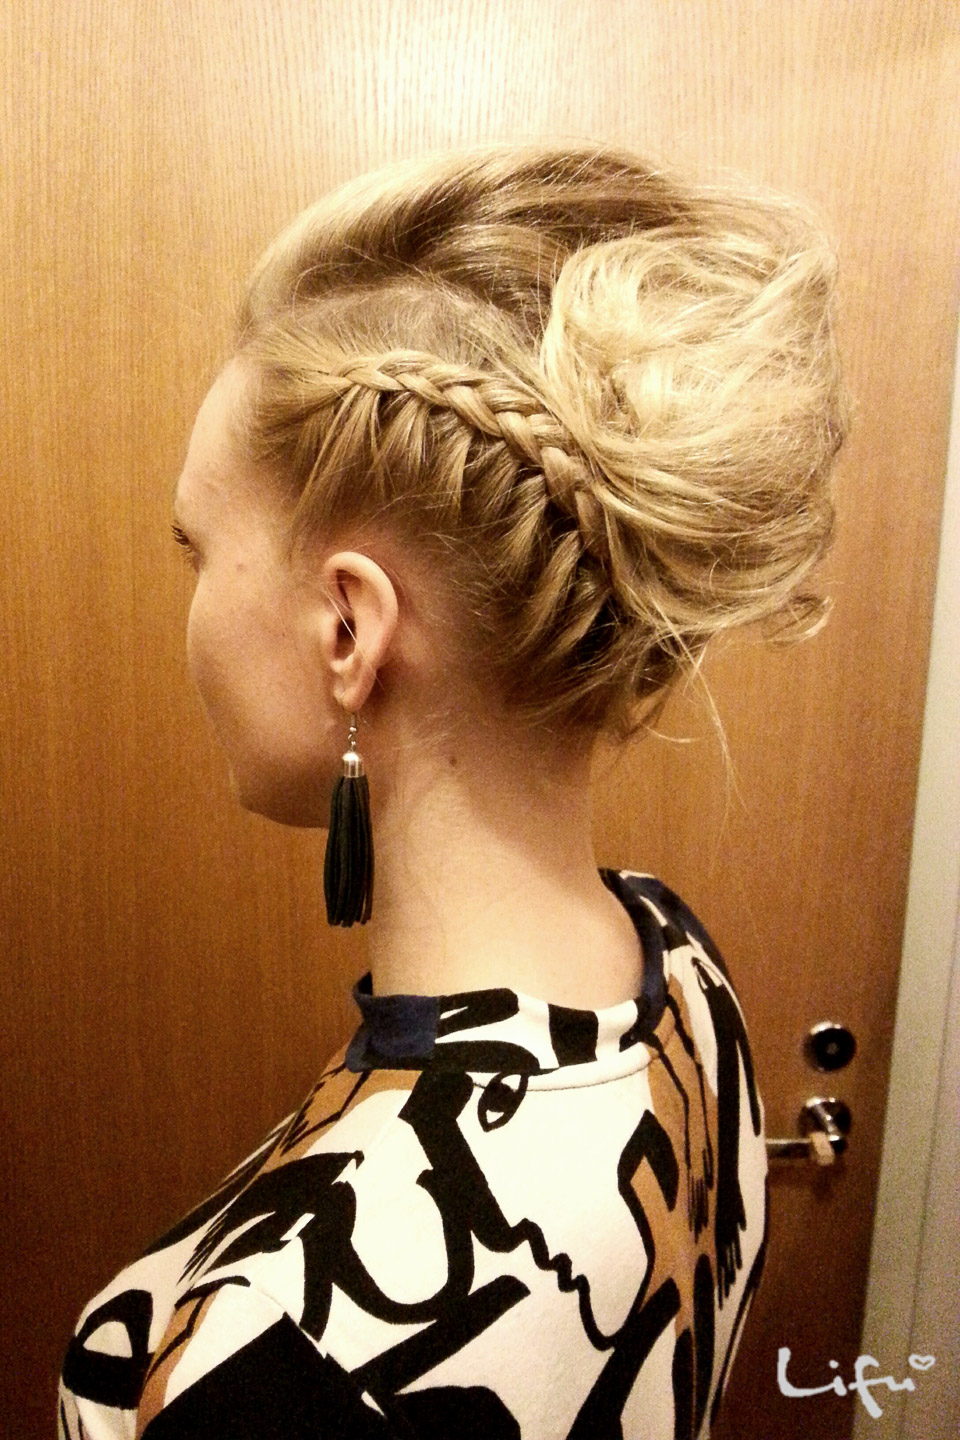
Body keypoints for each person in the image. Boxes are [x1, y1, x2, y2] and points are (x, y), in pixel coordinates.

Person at [58, 145, 843, 1439]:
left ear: (348, 629)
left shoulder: (289, 1353)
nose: (189, 607)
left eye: (196, 548)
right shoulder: (678, 974)